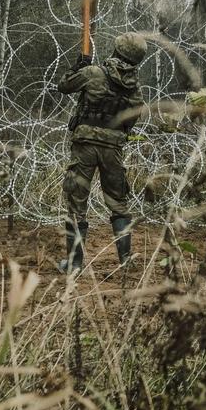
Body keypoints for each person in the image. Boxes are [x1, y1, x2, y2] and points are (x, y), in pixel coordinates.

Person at [56, 31, 148, 274]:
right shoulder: (135, 88)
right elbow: (132, 120)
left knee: (77, 201)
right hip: (113, 146)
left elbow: (63, 86)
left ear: (116, 50)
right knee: (118, 202)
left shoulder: (94, 73)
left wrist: (77, 67)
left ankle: (74, 264)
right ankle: (125, 260)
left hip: (85, 143)